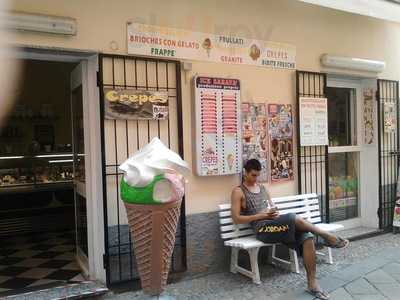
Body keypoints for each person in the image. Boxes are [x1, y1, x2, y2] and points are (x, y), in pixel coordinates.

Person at [231, 159, 349, 300]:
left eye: (257, 175)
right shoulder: (238, 191)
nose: (255, 178)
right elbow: (236, 218)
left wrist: (273, 212)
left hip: (277, 226)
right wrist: (262, 215)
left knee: (307, 237)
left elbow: (272, 208)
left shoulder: (262, 188)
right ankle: (327, 236)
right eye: (253, 175)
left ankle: (312, 284)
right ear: (245, 172)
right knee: (294, 217)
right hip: (263, 231)